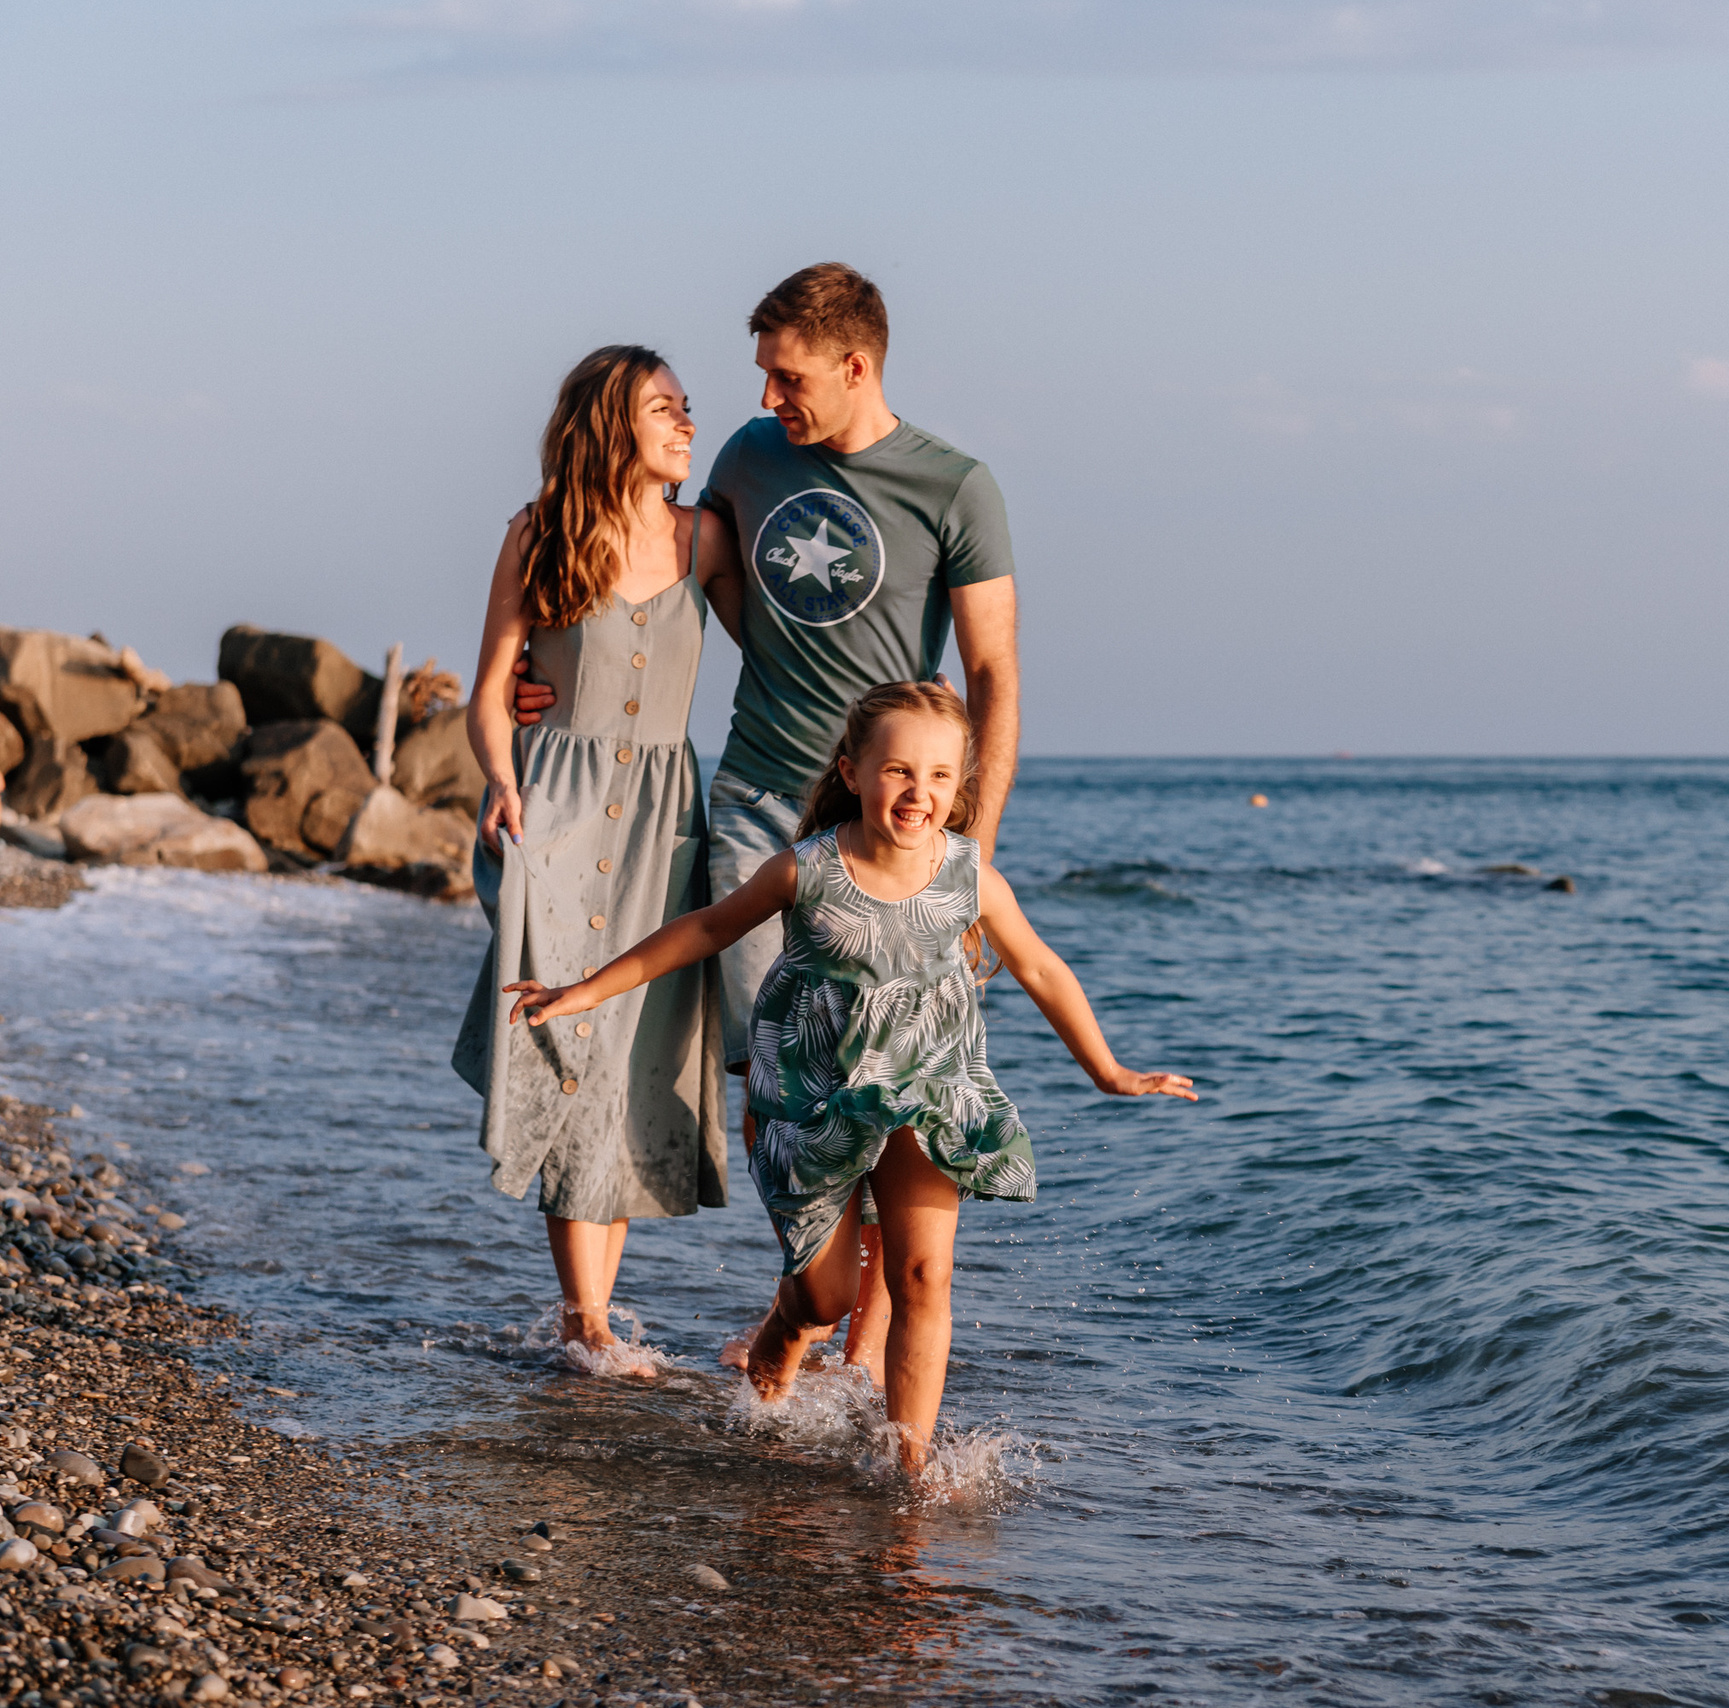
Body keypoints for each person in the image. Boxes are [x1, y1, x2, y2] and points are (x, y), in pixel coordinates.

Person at [516, 263, 1021, 1382]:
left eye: (786, 377)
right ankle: (810, 1290)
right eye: (760, 377)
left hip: (898, 833)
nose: (765, 398)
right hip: (754, 803)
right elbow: (643, 568)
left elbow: (992, 672)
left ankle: (857, 1330)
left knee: (889, 1078)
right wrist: (543, 680)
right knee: (778, 1074)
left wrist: (968, 850)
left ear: (855, 365)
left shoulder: (956, 487)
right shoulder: (747, 460)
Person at [498, 682, 1193, 1470]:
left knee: (924, 1274)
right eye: (898, 771)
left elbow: (1041, 968)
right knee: (825, 1299)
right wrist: (582, 990)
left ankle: (913, 1465)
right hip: (812, 1097)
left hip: (928, 1092)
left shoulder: (969, 877)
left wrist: (1108, 1070)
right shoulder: (808, 870)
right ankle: (781, 1338)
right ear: (853, 772)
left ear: (959, 785)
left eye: (938, 776)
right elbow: (705, 929)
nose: (918, 792)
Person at [453, 344, 734, 1368]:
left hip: (664, 826)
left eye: (687, 408)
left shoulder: (708, 538)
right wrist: (503, 773)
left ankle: (593, 1319)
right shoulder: (540, 535)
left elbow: (785, 661)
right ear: (611, 423)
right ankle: (588, 1322)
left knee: (632, 1055)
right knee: (569, 1043)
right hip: (558, 816)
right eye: (664, 409)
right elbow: (492, 687)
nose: (686, 424)